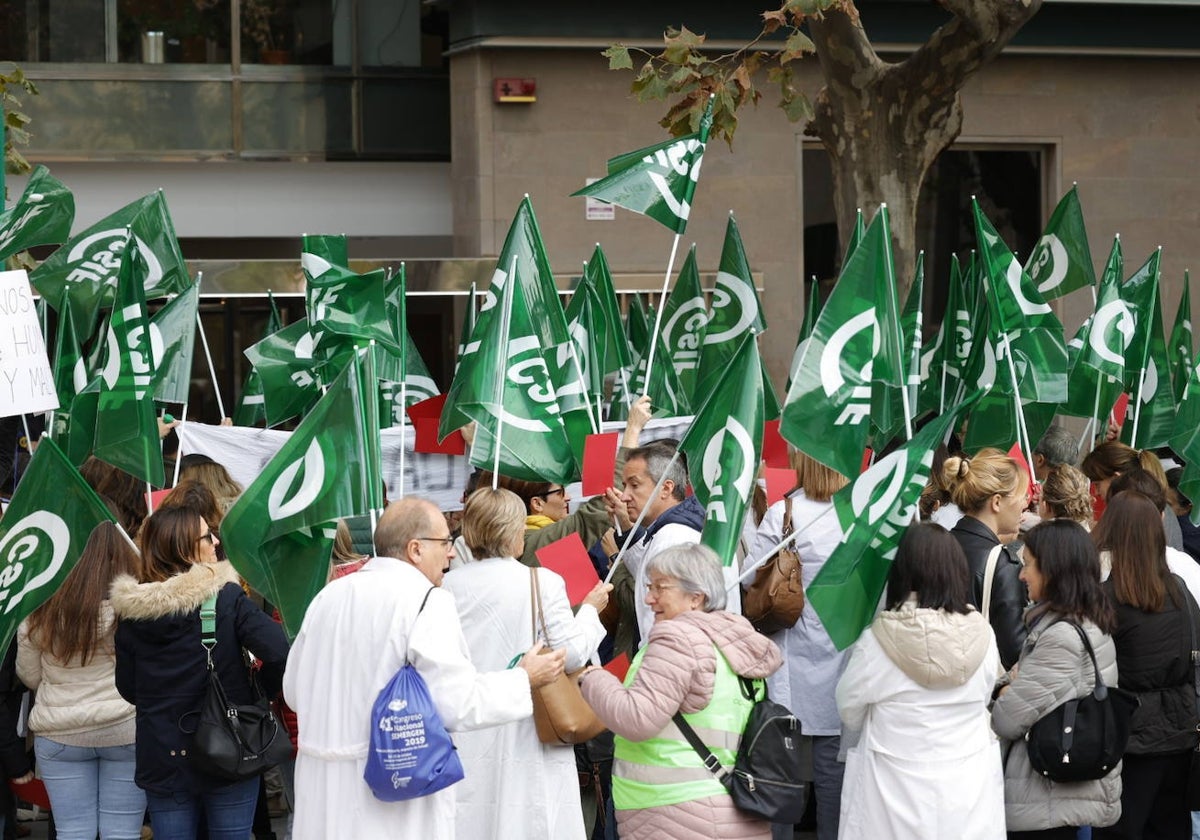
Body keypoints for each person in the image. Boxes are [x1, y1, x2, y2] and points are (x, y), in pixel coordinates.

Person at [281, 497, 566, 840]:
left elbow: (293, 692)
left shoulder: (328, 596)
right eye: (445, 542)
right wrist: (524, 678)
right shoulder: (425, 600)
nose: (451, 552)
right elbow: (458, 704)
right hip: (388, 798)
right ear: (415, 549)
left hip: (322, 794)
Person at [579, 544, 782, 840]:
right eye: (649, 586)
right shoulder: (737, 644)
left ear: (696, 597)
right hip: (735, 806)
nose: (649, 598)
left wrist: (592, 678)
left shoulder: (677, 638)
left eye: (660, 588)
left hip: (672, 812)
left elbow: (637, 718)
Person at [110, 506, 290, 840]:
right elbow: (280, 651)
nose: (216, 541)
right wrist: (256, 691)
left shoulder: (132, 613)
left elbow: (128, 688)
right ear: (184, 548)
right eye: (207, 536)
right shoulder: (226, 598)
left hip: (163, 753)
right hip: (232, 746)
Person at [442, 488, 611, 840]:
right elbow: (571, 654)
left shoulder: (444, 587)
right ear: (512, 530)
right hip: (529, 725)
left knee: (473, 820)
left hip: (468, 727)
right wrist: (592, 610)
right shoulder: (541, 581)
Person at [836, 523, 1003, 840]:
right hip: (969, 792)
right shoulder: (984, 634)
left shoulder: (877, 641)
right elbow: (983, 696)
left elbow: (849, 710)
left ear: (901, 570)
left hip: (889, 793)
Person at [991, 519, 1122, 838]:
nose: (1022, 575)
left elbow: (1006, 720)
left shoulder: (1061, 636)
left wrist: (1005, 689)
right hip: (1060, 796)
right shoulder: (1085, 619)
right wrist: (1011, 684)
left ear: (1054, 569)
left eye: (1029, 565)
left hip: (1046, 803)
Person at [17, 519, 145, 840]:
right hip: (125, 726)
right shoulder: (133, 603)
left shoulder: (39, 606)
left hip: (59, 731)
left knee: (73, 833)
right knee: (123, 834)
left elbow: (29, 675)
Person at [747, 449, 850, 840]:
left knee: (783, 778)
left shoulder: (783, 512)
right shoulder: (859, 516)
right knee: (833, 775)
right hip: (844, 653)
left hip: (789, 654)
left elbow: (748, 581)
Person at [1090, 492, 1200, 840]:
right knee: (1170, 828)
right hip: (1179, 727)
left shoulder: (1104, 597)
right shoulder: (1179, 588)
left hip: (1127, 732)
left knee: (1122, 829)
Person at [944, 448, 1030, 669]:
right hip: (978, 686)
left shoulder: (938, 546)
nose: (1025, 505)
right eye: (1021, 497)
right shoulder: (1002, 564)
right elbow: (1014, 650)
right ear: (997, 502)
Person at [612, 439, 704, 642]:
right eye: (624, 486)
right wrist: (627, 533)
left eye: (634, 485)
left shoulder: (674, 540)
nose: (625, 496)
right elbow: (647, 572)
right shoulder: (671, 533)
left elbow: (667, 629)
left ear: (666, 488)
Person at [1037, 464, 1094, 528]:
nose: (1038, 496)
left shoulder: (1039, 536)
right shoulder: (1085, 533)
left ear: (1046, 506)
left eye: (1040, 494)